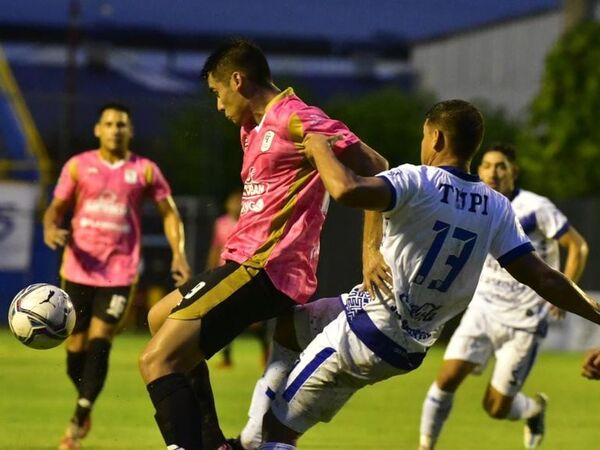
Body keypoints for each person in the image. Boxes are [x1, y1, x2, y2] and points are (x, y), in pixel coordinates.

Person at [258, 100, 600, 450]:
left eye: (424, 136)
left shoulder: (417, 180)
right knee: (290, 326)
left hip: (366, 332)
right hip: (407, 340)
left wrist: (318, 149)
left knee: (278, 431)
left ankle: (257, 438)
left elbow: (348, 189)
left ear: (435, 138)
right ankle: (247, 438)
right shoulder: (496, 206)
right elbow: (545, 279)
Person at [137, 38, 388, 450]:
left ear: (237, 80)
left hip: (265, 269)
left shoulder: (297, 118)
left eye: (218, 94)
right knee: (158, 318)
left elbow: (377, 167)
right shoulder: (250, 131)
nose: (218, 106)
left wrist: (371, 250)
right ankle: (212, 442)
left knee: (156, 361)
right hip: (244, 263)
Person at [418, 144, 589, 450]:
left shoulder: (536, 207)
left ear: (514, 172)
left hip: (523, 321)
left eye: (501, 166)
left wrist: (562, 293)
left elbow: (578, 246)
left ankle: (533, 410)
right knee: (446, 380)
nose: (493, 172)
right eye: (486, 165)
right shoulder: (479, 202)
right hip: (483, 309)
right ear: (478, 169)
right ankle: (425, 446)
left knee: (495, 407)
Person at [43, 102, 191, 450]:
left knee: (101, 337)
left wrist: (179, 253)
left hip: (120, 272)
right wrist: (50, 227)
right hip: (78, 269)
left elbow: (169, 214)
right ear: (98, 130)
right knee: (75, 349)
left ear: (131, 131)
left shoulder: (145, 171)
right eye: (109, 124)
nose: (115, 129)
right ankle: (85, 399)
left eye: (121, 124)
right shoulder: (78, 166)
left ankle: (79, 419)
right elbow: (56, 208)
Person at [206, 189, 271, 369]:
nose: (234, 206)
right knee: (223, 317)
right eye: (232, 203)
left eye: (237, 203)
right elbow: (215, 247)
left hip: (244, 274)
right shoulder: (221, 223)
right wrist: (211, 270)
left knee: (255, 321)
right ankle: (226, 358)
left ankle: (266, 352)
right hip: (224, 274)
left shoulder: (249, 221)